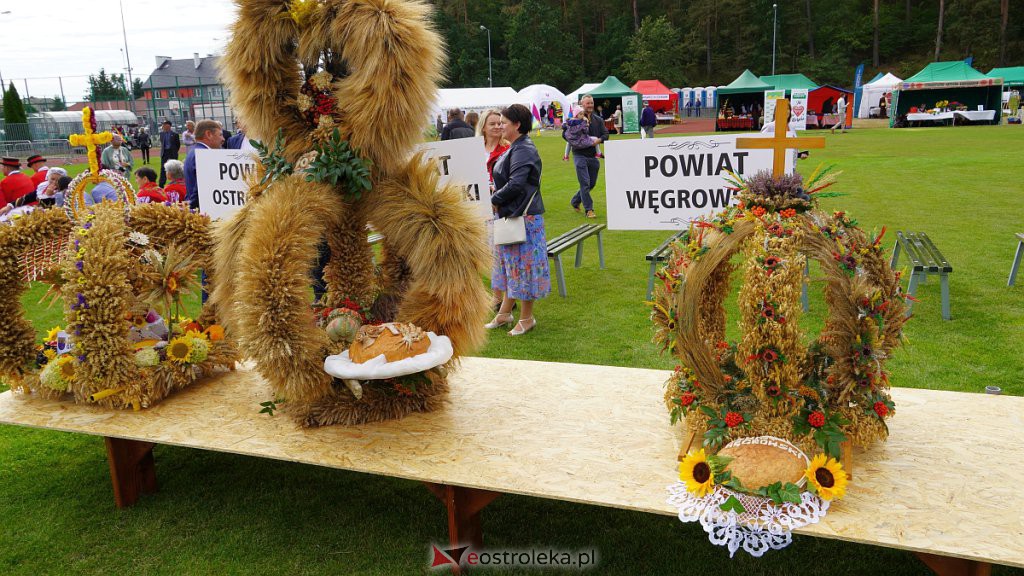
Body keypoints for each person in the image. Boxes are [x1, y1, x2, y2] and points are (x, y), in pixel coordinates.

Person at [487, 103, 549, 337]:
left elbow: (517, 184)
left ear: (517, 124)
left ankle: (527, 318)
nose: (500, 125)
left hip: (523, 219)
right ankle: (505, 312)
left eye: (504, 122)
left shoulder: (524, 149)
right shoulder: (517, 147)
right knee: (511, 267)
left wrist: (493, 198)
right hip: (513, 216)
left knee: (523, 269)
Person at [477, 109, 511, 312]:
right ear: (483, 127)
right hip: (478, 207)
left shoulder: (507, 149)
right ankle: (498, 295)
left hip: (498, 207)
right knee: (487, 251)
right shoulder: (474, 149)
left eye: (500, 123)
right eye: (493, 124)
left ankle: (499, 296)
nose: (498, 126)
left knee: (499, 251)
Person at [563, 94, 608, 219]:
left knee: (591, 184)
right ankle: (589, 210)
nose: (590, 105)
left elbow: (606, 135)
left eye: (592, 103)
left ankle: (575, 200)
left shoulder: (598, 120)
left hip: (593, 156)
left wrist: (597, 141)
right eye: (588, 103)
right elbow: (564, 135)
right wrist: (574, 139)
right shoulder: (573, 120)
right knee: (585, 183)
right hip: (579, 155)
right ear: (582, 105)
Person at [184, 119, 225, 210]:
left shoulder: (193, 152)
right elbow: (200, 187)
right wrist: (191, 206)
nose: (223, 139)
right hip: (203, 210)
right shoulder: (205, 155)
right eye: (220, 135)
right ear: (208, 134)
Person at [158, 120, 181, 187]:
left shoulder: (175, 134)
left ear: (169, 126)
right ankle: (161, 184)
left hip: (172, 153)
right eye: (163, 125)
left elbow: (178, 145)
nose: (163, 126)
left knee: (174, 168)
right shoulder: (161, 134)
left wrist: (174, 151)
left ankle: (175, 182)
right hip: (164, 153)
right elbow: (162, 143)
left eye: (165, 125)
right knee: (163, 169)